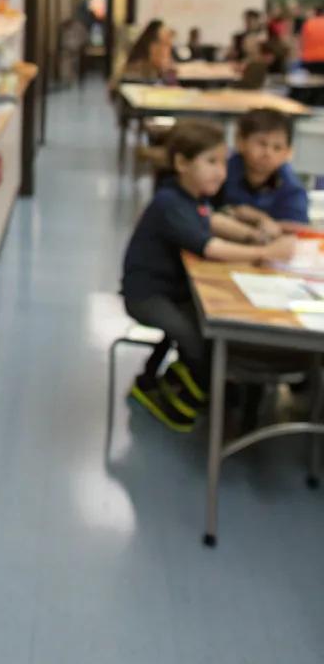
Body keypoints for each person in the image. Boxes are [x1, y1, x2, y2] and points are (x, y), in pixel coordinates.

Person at [122, 119, 295, 431]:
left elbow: (212, 220)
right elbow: (210, 247)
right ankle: (170, 397)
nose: (221, 172)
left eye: (222, 162)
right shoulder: (169, 202)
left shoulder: (191, 197)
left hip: (173, 291)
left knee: (201, 329)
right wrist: (263, 254)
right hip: (149, 296)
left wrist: (254, 235)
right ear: (182, 163)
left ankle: (160, 381)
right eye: (211, 162)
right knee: (200, 340)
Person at [216, 110, 309, 232]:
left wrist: (259, 218)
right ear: (240, 141)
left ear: (288, 152)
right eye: (261, 143)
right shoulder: (221, 172)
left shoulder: (292, 188)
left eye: (277, 147)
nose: (268, 153)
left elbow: (299, 228)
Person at [300, 4, 324, 74]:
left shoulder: (308, 23)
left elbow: (302, 41)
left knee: (314, 79)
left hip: (310, 58)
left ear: (315, 13)